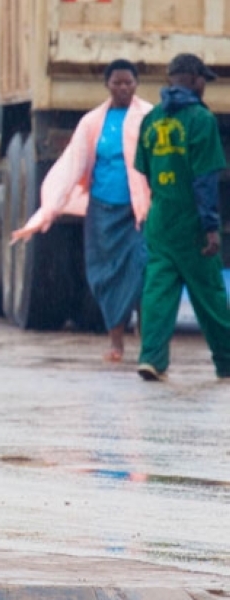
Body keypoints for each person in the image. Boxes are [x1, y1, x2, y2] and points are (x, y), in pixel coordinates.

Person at [14, 60, 152, 364]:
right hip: (102, 211)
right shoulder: (92, 122)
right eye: (117, 83)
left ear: (136, 84)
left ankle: (148, 342)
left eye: (129, 83)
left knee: (142, 271)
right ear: (107, 85)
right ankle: (116, 343)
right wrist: (47, 210)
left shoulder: (149, 118)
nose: (123, 88)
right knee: (105, 276)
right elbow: (72, 165)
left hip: (138, 211)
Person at [132, 53, 230, 382]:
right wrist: (211, 228)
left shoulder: (152, 118)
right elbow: (204, 180)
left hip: (160, 217)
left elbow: (144, 169)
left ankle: (152, 359)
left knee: (158, 290)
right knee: (210, 293)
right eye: (203, 79)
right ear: (192, 78)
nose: (205, 85)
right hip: (191, 221)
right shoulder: (200, 120)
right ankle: (227, 362)